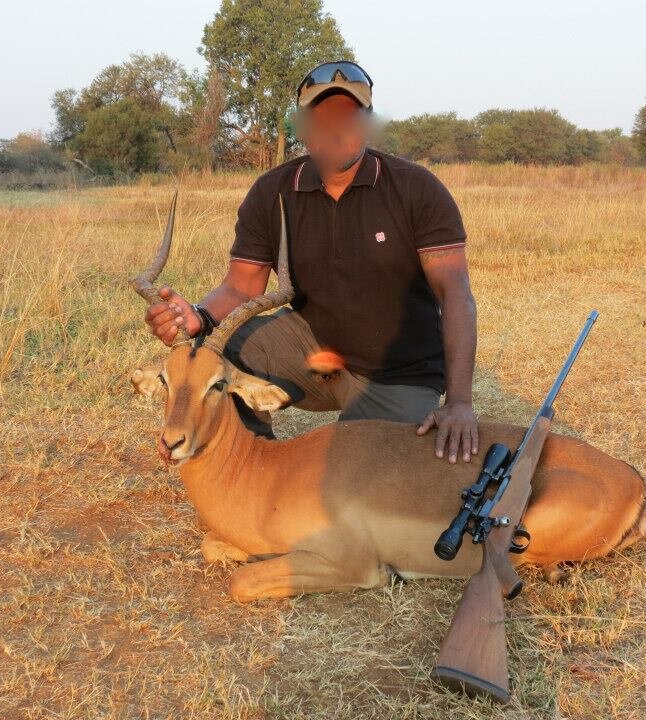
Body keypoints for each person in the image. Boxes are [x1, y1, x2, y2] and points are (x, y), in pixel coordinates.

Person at [144, 60, 479, 464]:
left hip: (397, 373)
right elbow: (240, 286)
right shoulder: (273, 191)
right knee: (217, 351)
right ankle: (244, 470)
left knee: (349, 475)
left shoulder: (416, 188)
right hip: (312, 349)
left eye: (348, 116)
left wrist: (459, 401)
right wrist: (197, 315)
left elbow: (456, 293)